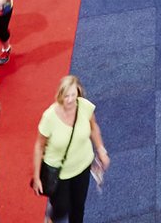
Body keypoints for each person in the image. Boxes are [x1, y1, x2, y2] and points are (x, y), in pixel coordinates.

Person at [32, 75, 109, 223]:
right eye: (66, 95)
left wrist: (101, 149)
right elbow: (39, 146)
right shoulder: (49, 116)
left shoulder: (85, 106)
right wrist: (36, 177)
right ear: (60, 94)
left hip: (83, 165)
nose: (70, 99)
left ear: (78, 92)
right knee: (61, 208)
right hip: (59, 172)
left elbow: (93, 128)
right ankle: (52, 216)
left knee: (78, 206)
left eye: (73, 95)